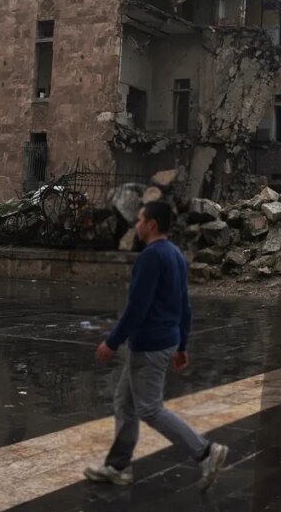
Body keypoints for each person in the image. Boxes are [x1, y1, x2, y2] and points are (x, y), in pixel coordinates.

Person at [84, 200, 227, 490]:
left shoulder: (151, 257)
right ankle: (118, 466)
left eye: (140, 220)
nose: (136, 225)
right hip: (166, 340)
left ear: (151, 224)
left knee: (149, 409)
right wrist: (182, 344)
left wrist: (112, 341)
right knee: (125, 402)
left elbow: (137, 308)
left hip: (149, 344)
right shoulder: (175, 254)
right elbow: (185, 306)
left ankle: (204, 451)